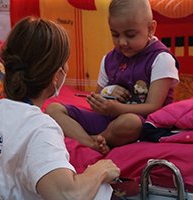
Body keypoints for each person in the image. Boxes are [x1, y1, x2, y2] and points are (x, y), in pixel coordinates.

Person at [0, 16, 120, 200]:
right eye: (66, 62)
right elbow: (67, 195)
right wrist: (100, 171)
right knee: (100, 191)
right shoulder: (39, 128)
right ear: (57, 75)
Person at [45, 0, 179, 154]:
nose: (122, 42)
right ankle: (92, 143)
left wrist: (117, 108)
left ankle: (98, 138)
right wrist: (107, 92)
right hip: (106, 119)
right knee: (53, 109)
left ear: (150, 29)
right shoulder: (109, 59)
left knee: (131, 122)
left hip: (143, 124)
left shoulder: (161, 59)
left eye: (130, 35)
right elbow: (97, 98)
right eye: (115, 34)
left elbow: (153, 107)